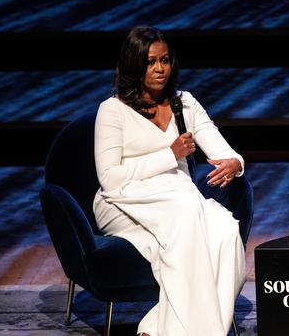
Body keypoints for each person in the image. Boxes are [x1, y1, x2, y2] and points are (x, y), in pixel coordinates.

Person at [93, 26, 246, 336]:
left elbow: (223, 150)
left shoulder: (184, 104)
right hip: (124, 201)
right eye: (151, 62)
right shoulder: (112, 111)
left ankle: (154, 328)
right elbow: (109, 179)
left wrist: (235, 163)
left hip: (179, 199)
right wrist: (170, 153)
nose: (160, 69)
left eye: (165, 60)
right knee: (187, 213)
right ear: (135, 65)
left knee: (226, 231)